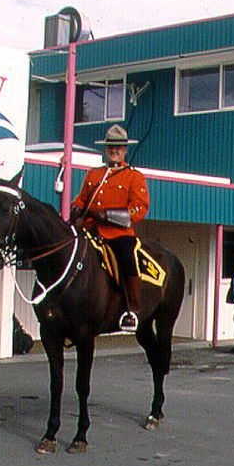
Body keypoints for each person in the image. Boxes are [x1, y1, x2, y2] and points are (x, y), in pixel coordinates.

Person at [70, 124, 149, 332]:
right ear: (105, 149)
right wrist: (76, 207)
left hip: (118, 234)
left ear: (125, 149)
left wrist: (109, 215)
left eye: (119, 146)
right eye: (111, 146)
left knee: (127, 258)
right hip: (91, 230)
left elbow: (139, 208)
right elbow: (82, 198)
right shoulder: (93, 174)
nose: (114, 150)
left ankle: (132, 309)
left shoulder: (134, 177)